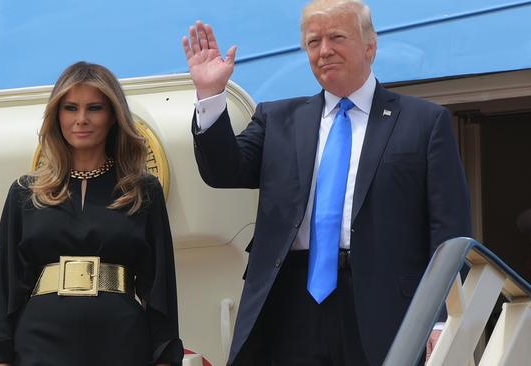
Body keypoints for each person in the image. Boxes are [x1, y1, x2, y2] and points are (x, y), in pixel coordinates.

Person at [182, 0, 471, 365]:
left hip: (382, 306)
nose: (324, 50)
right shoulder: (277, 119)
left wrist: (442, 316)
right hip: (289, 301)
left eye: (336, 37)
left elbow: (449, 230)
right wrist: (210, 96)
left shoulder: (424, 122)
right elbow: (223, 172)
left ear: (370, 46)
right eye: (313, 41)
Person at [0, 61, 183, 366]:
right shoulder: (26, 192)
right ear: (56, 115)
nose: (81, 119)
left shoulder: (143, 190)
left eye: (94, 108)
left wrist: (166, 359)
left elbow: (161, 290)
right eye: (70, 108)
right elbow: (4, 291)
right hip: (40, 343)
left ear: (114, 115)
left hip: (122, 341)